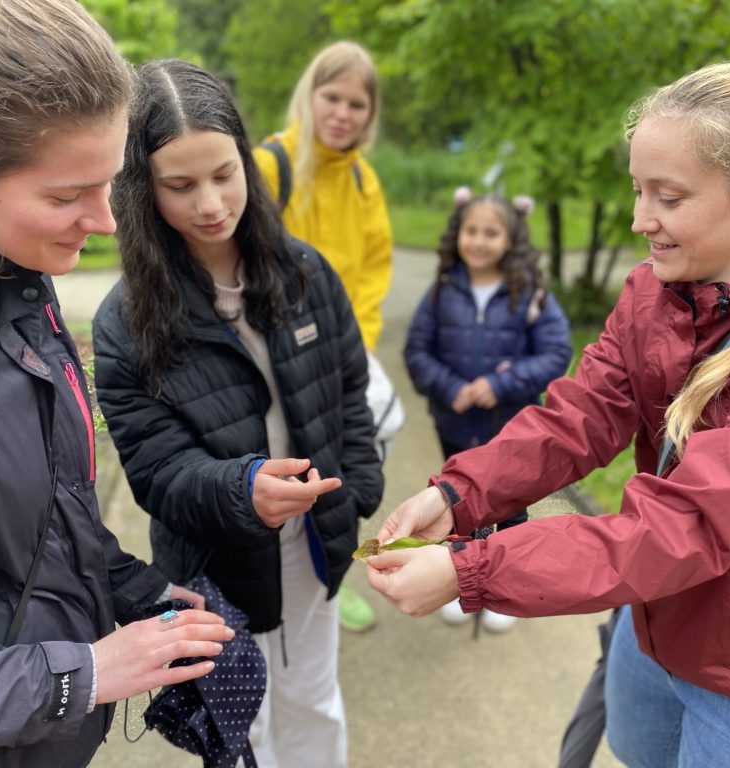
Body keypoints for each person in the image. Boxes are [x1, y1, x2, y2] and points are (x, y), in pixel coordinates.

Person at [365, 60, 730, 767]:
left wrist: (473, 570)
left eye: (667, 198)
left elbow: (684, 526)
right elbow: (579, 416)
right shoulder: (655, 293)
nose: (641, 219)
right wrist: (461, 493)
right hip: (660, 626)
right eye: (639, 190)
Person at [0, 2, 234, 767]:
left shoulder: (13, 276)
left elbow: (39, 519)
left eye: (110, 184)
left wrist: (142, 596)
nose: (105, 221)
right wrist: (84, 676)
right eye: (66, 194)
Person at [91, 59, 384, 768]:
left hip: (316, 550)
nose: (212, 203)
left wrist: (361, 488)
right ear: (141, 188)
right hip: (215, 572)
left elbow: (351, 389)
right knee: (241, 728)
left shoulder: (307, 271)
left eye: (225, 173)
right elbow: (157, 472)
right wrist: (240, 489)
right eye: (180, 185)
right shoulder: (125, 322)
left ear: (247, 159)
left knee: (314, 701)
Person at [253, 40, 393, 633]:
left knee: (361, 449)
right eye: (331, 97)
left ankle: (336, 570)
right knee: (287, 463)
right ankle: (283, 574)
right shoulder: (270, 164)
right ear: (309, 96)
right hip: (276, 350)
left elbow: (372, 270)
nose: (342, 112)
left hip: (341, 350)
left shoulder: (364, 180)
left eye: (356, 104)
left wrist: (356, 342)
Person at [404, 186, 572, 634]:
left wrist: (499, 384)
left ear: (510, 238)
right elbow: (417, 351)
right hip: (455, 421)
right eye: (471, 230)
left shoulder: (530, 293)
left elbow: (556, 353)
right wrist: (449, 387)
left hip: (512, 426)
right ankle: (461, 581)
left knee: (509, 506)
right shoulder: (442, 291)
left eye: (491, 233)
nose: (479, 241)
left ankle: (505, 587)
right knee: (459, 501)